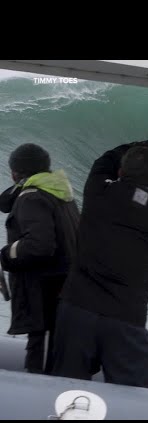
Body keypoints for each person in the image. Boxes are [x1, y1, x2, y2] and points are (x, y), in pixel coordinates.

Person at [52, 137, 148, 389]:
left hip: (77, 309)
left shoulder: (98, 190)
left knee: (65, 392)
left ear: (121, 172)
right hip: (125, 319)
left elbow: (105, 159)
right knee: (138, 401)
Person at [0, 143, 80, 374]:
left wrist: (5, 255)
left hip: (44, 294)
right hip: (65, 291)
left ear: (16, 172)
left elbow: (39, 246)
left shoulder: (32, 197)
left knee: (41, 361)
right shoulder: (61, 193)